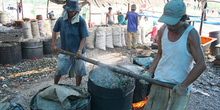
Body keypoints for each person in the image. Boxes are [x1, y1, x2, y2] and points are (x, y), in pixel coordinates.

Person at [140, 0, 206, 110]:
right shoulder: (162, 30)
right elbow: (160, 53)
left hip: (180, 84)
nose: (169, 26)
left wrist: (184, 85)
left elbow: (201, 64)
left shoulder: (191, 34)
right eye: (167, 22)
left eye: (173, 22)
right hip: (160, 79)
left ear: (183, 19)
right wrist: (149, 72)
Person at [51, 0, 89, 86]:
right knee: (59, 69)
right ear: (66, 10)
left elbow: (84, 37)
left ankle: (77, 87)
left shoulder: (81, 21)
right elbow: (55, 31)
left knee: (79, 72)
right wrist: (53, 44)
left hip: (78, 52)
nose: (72, 12)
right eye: (70, 10)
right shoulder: (61, 20)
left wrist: (79, 51)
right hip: (65, 50)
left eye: (74, 10)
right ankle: (55, 85)